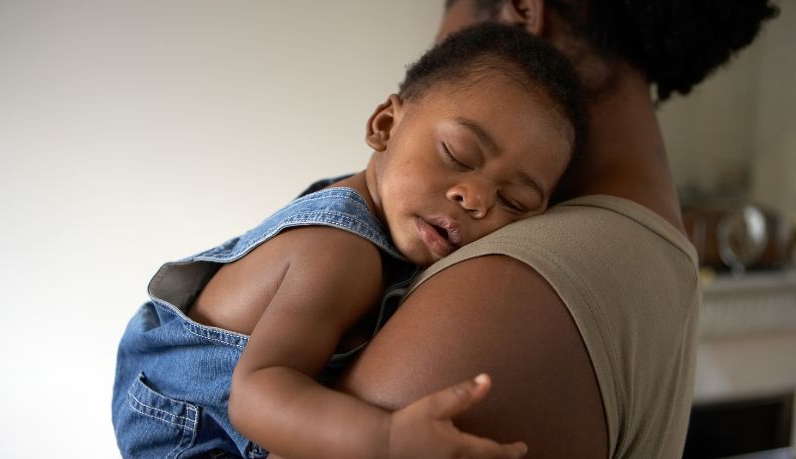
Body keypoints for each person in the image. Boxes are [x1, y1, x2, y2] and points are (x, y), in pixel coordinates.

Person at [112, 23, 586, 458]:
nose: (477, 198)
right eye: (458, 155)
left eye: (516, 201)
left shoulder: (385, 208)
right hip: (188, 431)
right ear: (384, 127)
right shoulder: (340, 253)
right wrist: (387, 439)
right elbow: (255, 397)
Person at [333, 1, 780, 458]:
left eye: (448, 27)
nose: (476, 199)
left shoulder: (510, 288)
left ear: (524, 13)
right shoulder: (646, 249)